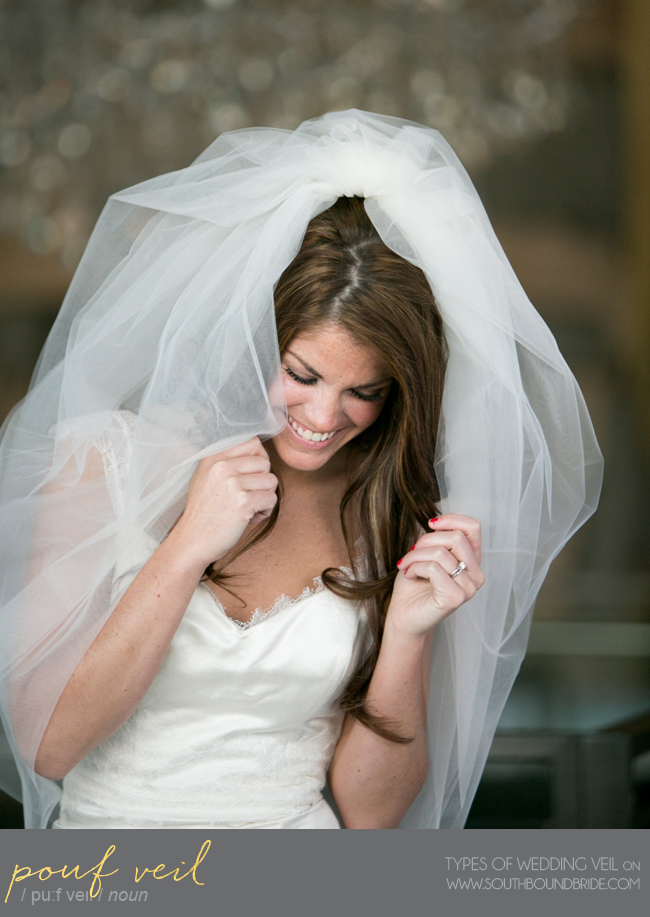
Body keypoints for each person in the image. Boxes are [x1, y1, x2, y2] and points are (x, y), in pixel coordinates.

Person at [0, 110, 603, 829]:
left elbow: (370, 813)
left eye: (365, 391)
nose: (325, 416)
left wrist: (407, 633)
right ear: (254, 338)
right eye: (302, 374)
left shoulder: (387, 511)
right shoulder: (103, 460)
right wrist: (189, 542)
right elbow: (49, 744)